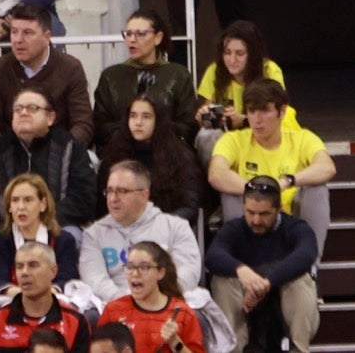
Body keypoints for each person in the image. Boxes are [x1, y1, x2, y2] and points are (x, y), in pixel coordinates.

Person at [207, 79, 335, 253]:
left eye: (265, 111)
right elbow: (216, 173)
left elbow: (327, 167)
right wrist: (257, 191)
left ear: (282, 112)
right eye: (251, 111)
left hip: (290, 219)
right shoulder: (234, 140)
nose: (257, 119)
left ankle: (310, 262)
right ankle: (243, 259)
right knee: (230, 194)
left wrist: (287, 181)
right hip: (253, 215)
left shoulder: (302, 138)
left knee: (317, 189)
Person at [0, 87, 94, 255]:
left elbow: (83, 198)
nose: (23, 113)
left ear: (50, 118)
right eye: (18, 109)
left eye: (32, 108)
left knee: (73, 238)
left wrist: (40, 222)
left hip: (57, 226)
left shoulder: (70, 147)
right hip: (6, 230)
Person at [206, 175, 319, 353]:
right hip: (247, 311)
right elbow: (213, 256)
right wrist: (242, 271)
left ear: (279, 208)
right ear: (243, 206)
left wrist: (265, 284)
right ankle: (232, 349)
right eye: (250, 212)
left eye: (264, 214)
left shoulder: (296, 227)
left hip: (286, 311)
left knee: (300, 279)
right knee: (222, 281)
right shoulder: (233, 229)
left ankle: (298, 349)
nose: (256, 220)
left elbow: (306, 255)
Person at [78, 160, 203, 306]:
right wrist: (129, 301)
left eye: (122, 191)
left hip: (166, 302)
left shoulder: (176, 227)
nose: (113, 199)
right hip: (114, 305)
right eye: (109, 191)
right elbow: (95, 280)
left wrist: (155, 299)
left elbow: (188, 273)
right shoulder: (94, 234)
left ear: (144, 195)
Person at [0, 3, 87, 147]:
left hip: (60, 149)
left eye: (27, 33)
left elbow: (82, 123)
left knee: (90, 158)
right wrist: (8, 152)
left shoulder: (70, 67)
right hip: (11, 151)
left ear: (47, 37)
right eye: (14, 32)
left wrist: (62, 151)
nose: (18, 40)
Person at [195, 19, 297, 164]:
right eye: (227, 53)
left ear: (253, 54)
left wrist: (244, 120)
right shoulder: (214, 70)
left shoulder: (269, 70)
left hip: (261, 133)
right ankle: (214, 176)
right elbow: (209, 111)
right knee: (206, 135)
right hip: (228, 137)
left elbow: (278, 115)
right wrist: (205, 117)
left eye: (240, 53)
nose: (232, 60)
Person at [94, 10, 198, 145]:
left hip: (168, 150)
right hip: (121, 150)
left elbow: (188, 126)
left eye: (140, 33)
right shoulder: (111, 76)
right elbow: (100, 126)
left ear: (158, 38)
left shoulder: (178, 74)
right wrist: (131, 130)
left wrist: (155, 129)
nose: (132, 39)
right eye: (128, 34)